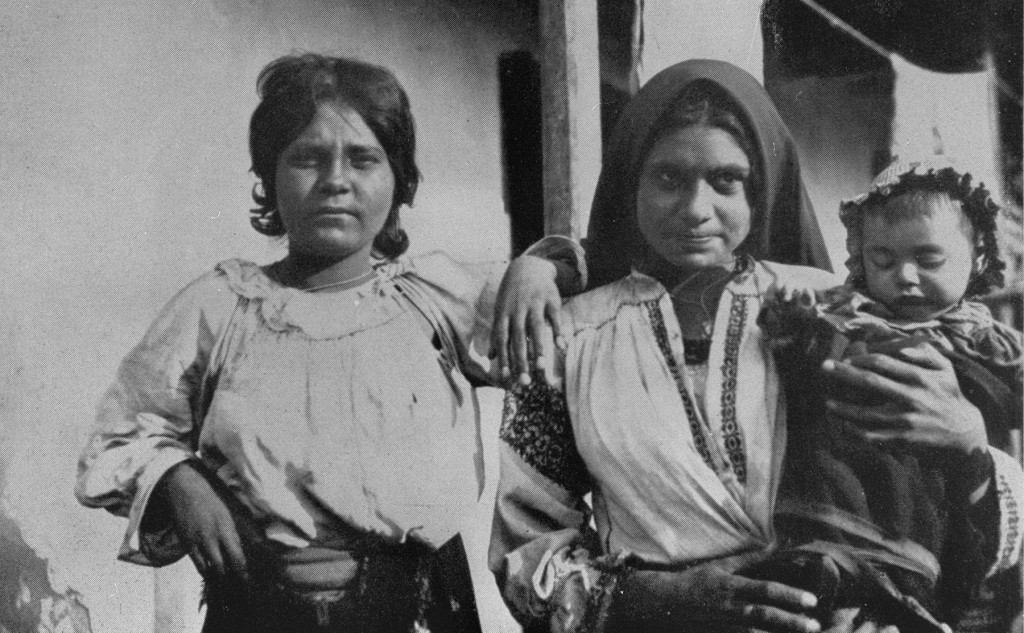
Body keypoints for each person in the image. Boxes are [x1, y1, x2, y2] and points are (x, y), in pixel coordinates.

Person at [487, 59, 1024, 633]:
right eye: (668, 178)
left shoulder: (832, 308)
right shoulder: (566, 340)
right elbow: (527, 551)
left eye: (726, 180)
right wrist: (655, 597)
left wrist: (968, 445)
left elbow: (929, 485)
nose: (696, 209)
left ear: (762, 186)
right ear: (629, 180)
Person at [75, 53, 578, 633]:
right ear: (269, 177)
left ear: (400, 179)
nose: (336, 180)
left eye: (363, 159)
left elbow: (581, 294)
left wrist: (544, 268)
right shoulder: (221, 308)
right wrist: (176, 478)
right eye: (308, 159)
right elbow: (114, 441)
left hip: (418, 612)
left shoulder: (434, 300)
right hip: (255, 612)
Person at [755, 158, 1023, 630]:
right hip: (832, 486)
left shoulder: (981, 340)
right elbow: (804, 364)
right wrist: (790, 321)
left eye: (928, 260)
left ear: (978, 257)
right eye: (883, 260)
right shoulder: (847, 316)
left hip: (925, 502)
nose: (905, 275)